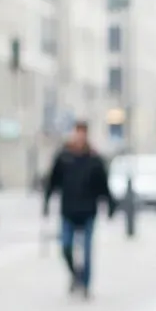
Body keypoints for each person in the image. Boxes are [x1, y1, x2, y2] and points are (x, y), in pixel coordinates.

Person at [42, 122, 112, 298]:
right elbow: (53, 182)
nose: (79, 137)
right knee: (65, 246)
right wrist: (46, 202)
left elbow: (103, 185)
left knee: (87, 251)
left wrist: (110, 204)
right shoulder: (64, 157)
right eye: (77, 133)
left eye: (83, 134)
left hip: (88, 211)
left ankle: (86, 285)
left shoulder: (94, 159)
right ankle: (75, 274)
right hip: (68, 211)